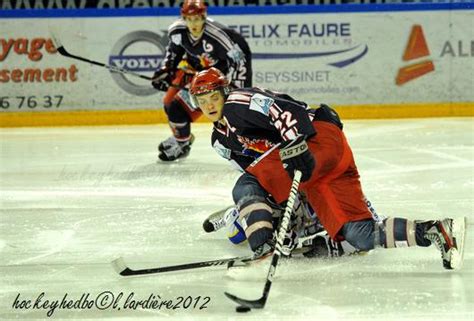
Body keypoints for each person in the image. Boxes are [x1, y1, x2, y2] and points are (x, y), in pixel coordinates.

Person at [189, 67, 466, 269]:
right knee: (359, 235)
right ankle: (435, 231)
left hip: (316, 140)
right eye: (202, 101)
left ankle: (263, 242)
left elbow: (283, 110)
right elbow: (260, 174)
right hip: (319, 169)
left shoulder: (238, 102)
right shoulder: (220, 141)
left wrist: (295, 142)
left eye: (213, 96)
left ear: (224, 92)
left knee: (245, 190)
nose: (209, 104)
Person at [151, 0, 252, 161]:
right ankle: (182, 139)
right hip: (197, 74)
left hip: (216, 81)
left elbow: (240, 60)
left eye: (197, 19)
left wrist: (239, 89)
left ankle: (245, 144)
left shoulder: (218, 36)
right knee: (169, 103)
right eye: (189, 19)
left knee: (180, 109)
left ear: (204, 17)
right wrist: (165, 71)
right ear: (183, 18)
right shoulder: (177, 31)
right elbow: (173, 54)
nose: (193, 24)